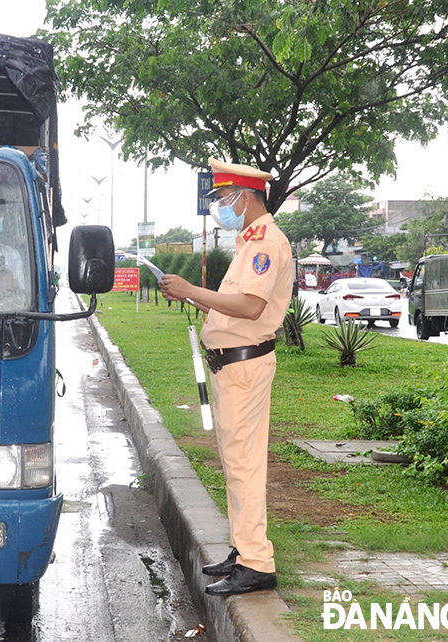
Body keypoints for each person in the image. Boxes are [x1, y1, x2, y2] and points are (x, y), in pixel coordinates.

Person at [159, 157, 293, 597]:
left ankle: (256, 562)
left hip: (245, 365)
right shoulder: (248, 240)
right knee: (236, 463)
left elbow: (252, 307)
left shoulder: (265, 243)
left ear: (246, 196)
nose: (219, 204)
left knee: (245, 465)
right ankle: (244, 548)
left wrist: (192, 290)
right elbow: (231, 303)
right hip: (232, 366)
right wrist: (190, 295)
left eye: (222, 197)